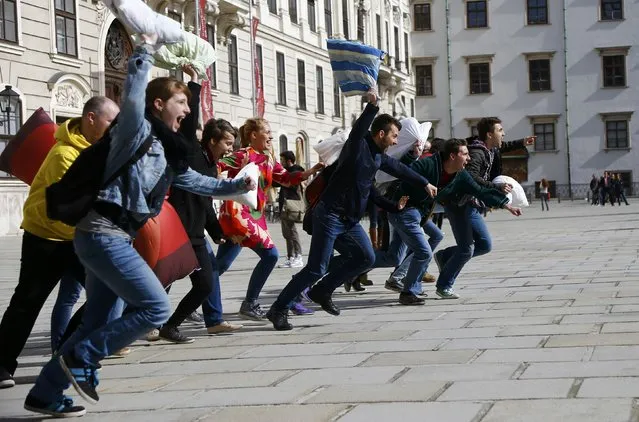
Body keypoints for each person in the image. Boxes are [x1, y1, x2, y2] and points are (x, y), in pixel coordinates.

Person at [24, 36, 255, 417]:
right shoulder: (134, 132)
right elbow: (133, 100)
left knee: (96, 319)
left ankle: (45, 393)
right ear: (159, 105)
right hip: (103, 232)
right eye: (182, 103)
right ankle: (85, 357)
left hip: (109, 237)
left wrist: (235, 187)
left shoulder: (167, 151)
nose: (188, 110)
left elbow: (197, 182)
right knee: (154, 307)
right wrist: (142, 54)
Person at [266, 88, 435, 331]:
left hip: (350, 221)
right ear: (380, 134)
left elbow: (396, 173)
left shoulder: (378, 157)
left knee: (365, 257)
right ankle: (279, 308)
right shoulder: (357, 147)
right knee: (317, 267)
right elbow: (358, 131)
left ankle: (322, 290)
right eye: (394, 135)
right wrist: (372, 107)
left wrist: (421, 185)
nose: (397, 141)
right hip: (329, 216)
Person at [0, 96, 119, 390]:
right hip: (47, 237)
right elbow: (71, 205)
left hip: (78, 237)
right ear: (90, 118)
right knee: (27, 302)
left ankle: (67, 354)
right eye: (110, 122)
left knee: (108, 294)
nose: (114, 128)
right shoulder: (64, 154)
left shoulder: (97, 150)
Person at [378, 138, 520, 305]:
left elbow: (479, 190)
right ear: (452, 156)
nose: (468, 158)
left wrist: (505, 204)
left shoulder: (461, 175)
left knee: (393, 258)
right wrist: (415, 171)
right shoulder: (428, 165)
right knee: (423, 252)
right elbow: (405, 173)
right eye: (465, 154)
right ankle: (407, 291)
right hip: (404, 211)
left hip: (419, 213)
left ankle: (360, 264)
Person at [215, 118, 323, 321]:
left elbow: (284, 178)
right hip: (239, 215)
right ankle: (250, 302)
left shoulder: (268, 159)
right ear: (253, 135)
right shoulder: (242, 155)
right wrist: (227, 177)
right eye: (268, 131)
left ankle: (196, 301)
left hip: (253, 216)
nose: (271, 136)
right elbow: (217, 167)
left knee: (219, 266)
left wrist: (309, 172)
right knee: (271, 255)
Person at [433, 117, 522, 299]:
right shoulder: (478, 153)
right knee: (466, 249)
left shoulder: (488, 150)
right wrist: (497, 190)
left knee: (484, 245)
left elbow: (504, 146)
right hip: (460, 203)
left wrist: (522, 142)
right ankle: (444, 285)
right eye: (500, 130)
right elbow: (472, 178)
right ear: (489, 134)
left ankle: (445, 257)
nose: (503, 133)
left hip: (471, 204)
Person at [276, 150, 305, 269]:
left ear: (289, 161)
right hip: (284, 204)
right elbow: (275, 182)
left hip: (292, 203)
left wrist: (282, 179)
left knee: (292, 231)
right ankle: (290, 257)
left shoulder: (296, 172)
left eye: (282, 160)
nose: (281, 162)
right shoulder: (285, 173)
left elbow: (293, 184)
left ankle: (298, 256)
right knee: (286, 232)